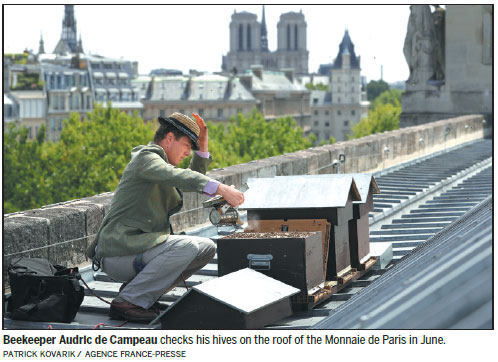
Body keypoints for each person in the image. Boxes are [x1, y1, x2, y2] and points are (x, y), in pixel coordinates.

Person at [86, 112, 244, 323]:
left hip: (138, 250)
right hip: (118, 253)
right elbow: (179, 176)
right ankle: (129, 300)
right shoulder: (146, 157)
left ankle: (140, 292)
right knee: (186, 247)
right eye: (188, 145)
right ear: (170, 138)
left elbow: (189, 177)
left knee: (207, 247)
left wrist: (202, 147)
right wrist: (222, 189)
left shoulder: (162, 167)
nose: (189, 153)